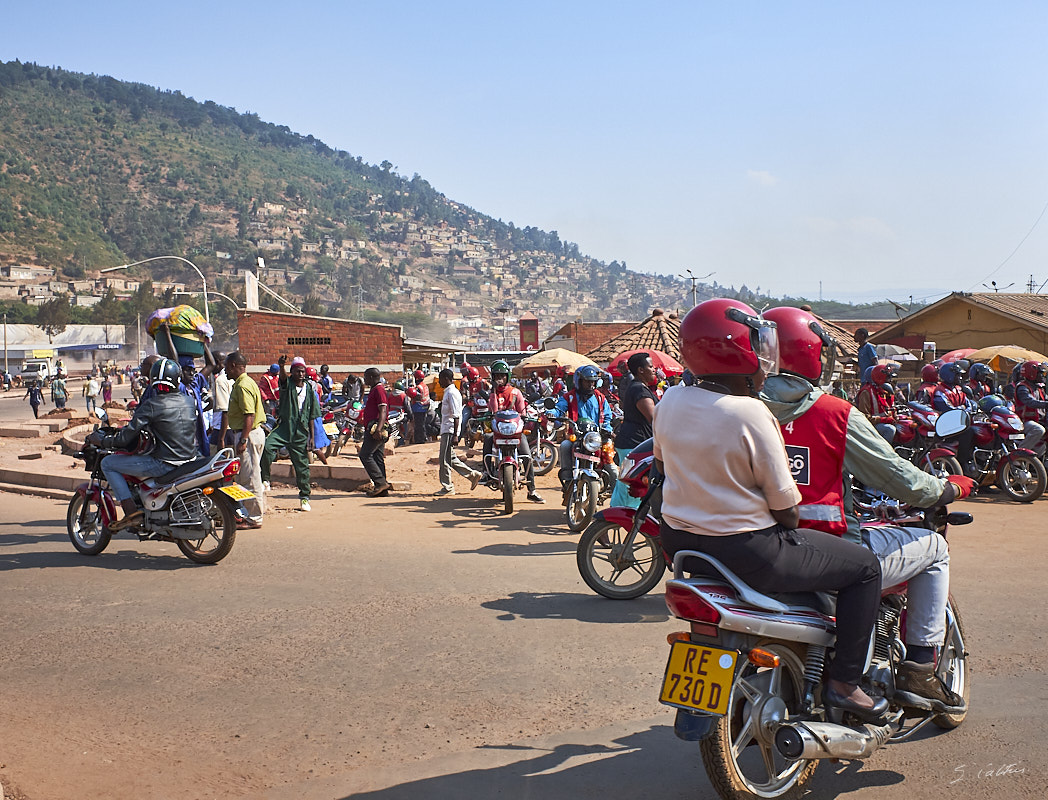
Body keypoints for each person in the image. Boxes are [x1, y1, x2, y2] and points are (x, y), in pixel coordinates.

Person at [656, 298, 888, 722]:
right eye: (757, 346)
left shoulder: (670, 401)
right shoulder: (751, 412)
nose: (766, 359)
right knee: (866, 568)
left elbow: (661, 464)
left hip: (681, 545)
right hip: (750, 551)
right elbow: (787, 508)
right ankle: (844, 683)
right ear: (737, 350)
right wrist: (780, 514)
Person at [762, 306, 972, 711]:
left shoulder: (740, 409)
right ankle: (919, 668)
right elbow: (900, 480)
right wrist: (947, 488)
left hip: (760, 545)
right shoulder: (834, 413)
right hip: (828, 549)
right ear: (812, 354)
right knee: (934, 549)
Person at [86, 358, 199, 530]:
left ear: (153, 380)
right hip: (190, 459)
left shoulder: (152, 405)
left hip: (165, 463)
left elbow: (124, 438)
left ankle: (131, 512)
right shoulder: (189, 401)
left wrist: (102, 440)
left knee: (108, 463)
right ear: (177, 379)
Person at [261, 356, 321, 512]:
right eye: (297, 371)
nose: (300, 374)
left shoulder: (309, 389)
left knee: (302, 466)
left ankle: (305, 498)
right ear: (292, 372)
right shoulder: (287, 385)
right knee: (267, 447)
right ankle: (265, 480)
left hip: (300, 432)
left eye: (302, 371)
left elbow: (312, 416)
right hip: (284, 428)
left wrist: (312, 438)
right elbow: (282, 379)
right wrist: (281, 367)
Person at [554, 364, 614, 504]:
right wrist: (554, 413)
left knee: (613, 469)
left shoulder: (600, 398)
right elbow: (559, 408)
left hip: (596, 438)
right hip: (577, 436)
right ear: (579, 381)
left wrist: (607, 427)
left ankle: (613, 494)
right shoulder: (569, 397)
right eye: (587, 381)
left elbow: (607, 417)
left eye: (593, 381)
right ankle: (568, 479)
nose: (591, 385)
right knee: (564, 445)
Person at [485, 360, 544, 503]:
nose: (500, 378)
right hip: (499, 431)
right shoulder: (491, 393)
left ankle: (532, 490)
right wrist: (493, 392)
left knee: (527, 456)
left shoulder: (516, 393)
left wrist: (526, 417)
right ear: (493, 377)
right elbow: (492, 410)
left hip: (514, 431)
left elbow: (522, 411)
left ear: (508, 376)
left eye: (502, 376)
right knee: (487, 438)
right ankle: (486, 473)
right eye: (497, 376)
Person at [221, 351, 266, 529]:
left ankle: (254, 518)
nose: (225, 371)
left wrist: (243, 439)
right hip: (250, 433)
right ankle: (253, 513)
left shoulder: (242, 386)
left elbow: (249, 415)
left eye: (226, 367)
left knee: (250, 478)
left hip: (248, 434)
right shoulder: (245, 382)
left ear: (233, 365)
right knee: (251, 475)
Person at [608, 353, 657, 510]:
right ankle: (606, 525)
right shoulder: (639, 391)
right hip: (635, 444)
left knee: (633, 486)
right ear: (641, 370)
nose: (654, 369)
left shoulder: (639, 387)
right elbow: (654, 418)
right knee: (629, 485)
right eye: (651, 366)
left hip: (635, 442)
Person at [433, 368, 483, 496]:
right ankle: (473, 475)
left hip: (450, 430)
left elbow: (456, 415)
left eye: (440, 380)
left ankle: (447, 487)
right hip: (446, 429)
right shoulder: (448, 392)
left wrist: (455, 435)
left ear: (446, 379)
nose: (439, 383)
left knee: (444, 459)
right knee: (450, 458)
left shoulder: (452, 393)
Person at [932, 362, 978, 476]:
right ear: (949, 376)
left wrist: (962, 409)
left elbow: (969, 406)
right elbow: (947, 409)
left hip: (960, 423)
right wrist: (962, 409)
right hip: (947, 426)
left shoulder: (959, 389)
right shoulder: (940, 391)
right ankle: (963, 462)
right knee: (969, 432)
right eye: (958, 375)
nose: (960, 378)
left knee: (980, 429)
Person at [359, 367, 390, 497]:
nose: (365, 380)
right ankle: (382, 488)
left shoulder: (379, 390)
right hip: (373, 427)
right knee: (377, 457)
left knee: (365, 455)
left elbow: (383, 410)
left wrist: (378, 429)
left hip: (375, 429)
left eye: (366, 377)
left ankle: (380, 482)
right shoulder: (375, 389)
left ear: (371, 377)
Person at [854, 363, 899, 443]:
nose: (890, 380)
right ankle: (883, 453)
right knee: (890, 430)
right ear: (880, 377)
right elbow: (864, 417)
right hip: (871, 425)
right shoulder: (866, 392)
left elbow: (888, 409)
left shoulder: (883, 391)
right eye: (888, 377)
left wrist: (895, 416)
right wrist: (884, 419)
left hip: (882, 422)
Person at [1012, 360, 1048, 454]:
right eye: (1040, 373)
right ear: (1032, 374)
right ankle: (1018, 455)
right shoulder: (1022, 387)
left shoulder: (1039, 388)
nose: (1043, 376)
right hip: (1024, 422)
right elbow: (1030, 402)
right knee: (1038, 430)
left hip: (1040, 420)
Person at [210, 352, 234, 451]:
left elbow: (225, 410)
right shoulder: (231, 377)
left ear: (218, 362)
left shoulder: (221, 380)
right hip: (231, 428)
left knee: (216, 462)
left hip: (222, 429)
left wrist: (221, 439)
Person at [408, 369, 430, 445]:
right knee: (422, 424)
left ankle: (420, 440)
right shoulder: (425, 386)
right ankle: (423, 437)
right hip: (424, 407)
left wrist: (411, 393)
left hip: (419, 408)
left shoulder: (418, 387)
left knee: (419, 425)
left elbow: (417, 397)